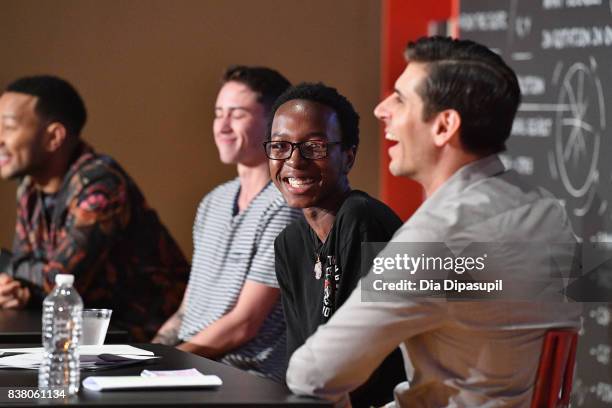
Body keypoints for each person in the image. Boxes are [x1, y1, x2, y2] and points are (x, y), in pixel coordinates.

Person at [285, 36, 581, 407]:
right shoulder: (548, 211)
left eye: (401, 98)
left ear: (444, 126)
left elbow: (314, 372)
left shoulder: (438, 238)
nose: (381, 109)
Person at [0, 75, 189, 341]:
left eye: (8, 127)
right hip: (81, 337)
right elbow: (28, 273)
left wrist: (11, 269)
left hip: (144, 344)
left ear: (54, 137)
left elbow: (59, 281)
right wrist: (13, 285)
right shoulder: (30, 187)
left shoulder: (101, 186)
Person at [153, 66, 300, 382]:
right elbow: (187, 308)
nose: (222, 126)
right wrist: (148, 356)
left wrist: (169, 361)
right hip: (193, 364)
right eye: (218, 113)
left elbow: (244, 324)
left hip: (243, 377)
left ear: (275, 125)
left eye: (237, 114)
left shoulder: (285, 205)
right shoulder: (214, 202)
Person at [267, 83, 406, 406]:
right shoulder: (289, 244)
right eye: (279, 146)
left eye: (314, 147)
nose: (294, 161)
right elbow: (300, 356)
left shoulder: (362, 218)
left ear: (348, 156)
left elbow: (369, 360)